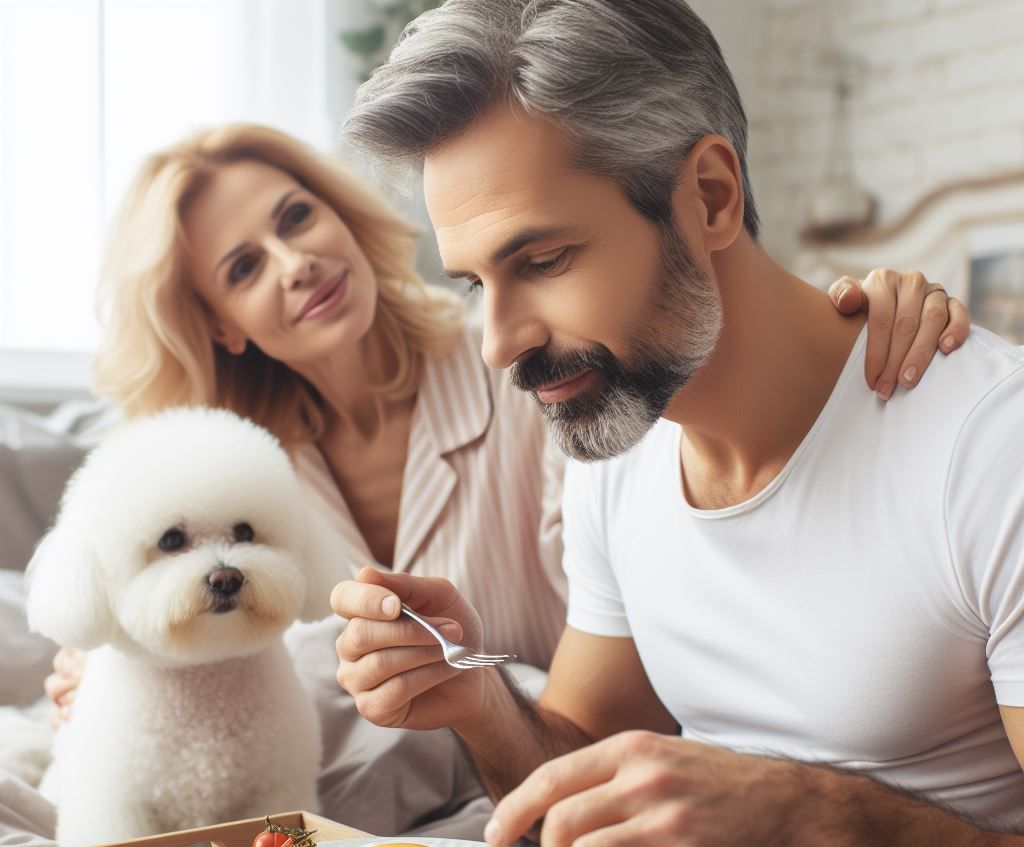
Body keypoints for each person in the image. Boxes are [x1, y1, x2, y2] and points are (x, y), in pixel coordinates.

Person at [331, 1, 1024, 847]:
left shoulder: (986, 447)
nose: (498, 342)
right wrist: (477, 702)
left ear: (707, 193)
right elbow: (580, 773)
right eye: (475, 281)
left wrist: (815, 816)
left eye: (542, 260)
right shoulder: (620, 442)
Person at [43, 121, 960, 732]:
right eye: (245, 267)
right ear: (218, 324)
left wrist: (852, 312)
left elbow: (630, 646)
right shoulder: (228, 478)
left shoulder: (538, 362)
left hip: (565, 761)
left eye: (298, 217)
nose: (296, 263)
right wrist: (117, 682)